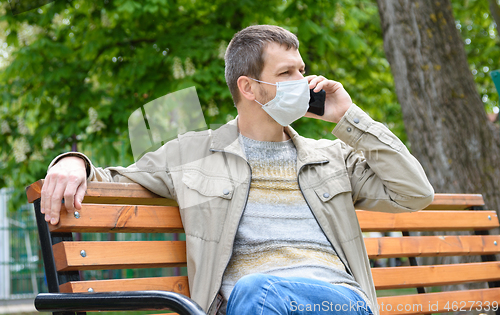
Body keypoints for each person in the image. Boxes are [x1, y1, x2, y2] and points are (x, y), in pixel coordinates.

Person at [40, 25, 434, 315]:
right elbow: (114, 179)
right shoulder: (192, 153)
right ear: (248, 87)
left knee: (258, 293)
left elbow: (415, 193)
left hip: (337, 301)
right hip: (250, 303)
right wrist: (73, 161)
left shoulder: (332, 156)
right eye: (286, 74)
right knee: (256, 294)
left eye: (301, 70)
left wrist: (349, 117)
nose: (305, 82)